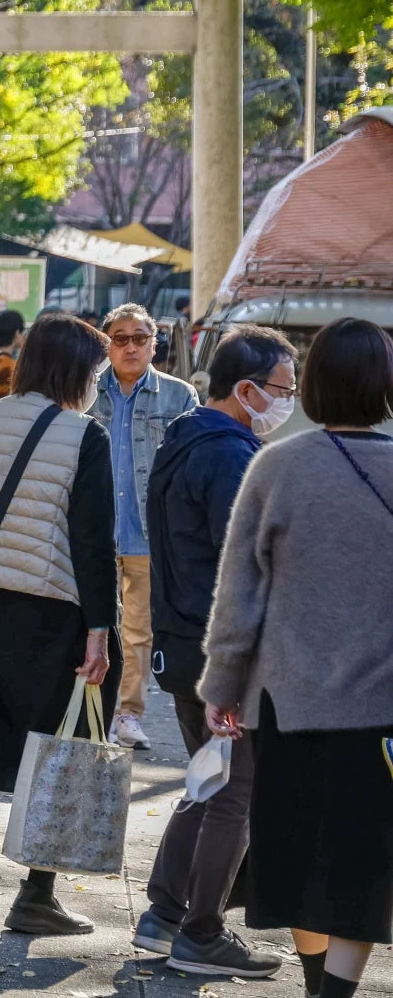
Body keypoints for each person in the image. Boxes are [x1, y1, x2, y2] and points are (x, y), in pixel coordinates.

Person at [202, 317, 393, 998]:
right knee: (362, 866)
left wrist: (221, 685)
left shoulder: (276, 467)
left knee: (296, 857)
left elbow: (238, 594)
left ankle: (316, 986)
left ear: (310, 386)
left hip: (286, 703)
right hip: (379, 712)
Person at [0, 313, 121, 936]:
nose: (96, 382)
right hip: (56, 610)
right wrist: (101, 630)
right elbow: (93, 542)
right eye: (94, 371)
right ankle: (37, 893)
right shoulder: (83, 435)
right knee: (64, 745)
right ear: (73, 370)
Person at [131, 327, 297, 977]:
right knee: (234, 790)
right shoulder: (231, 456)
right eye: (283, 388)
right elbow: (247, 566)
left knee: (208, 778)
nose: (288, 400)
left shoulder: (184, 438)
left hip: (181, 641)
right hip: (220, 647)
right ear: (246, 389)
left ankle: (163, 913)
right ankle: (201, 931)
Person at [91, 302, 198, 750]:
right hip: (92, 533)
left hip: (148, 535)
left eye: (140, 338)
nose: (130, 347)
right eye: (120, 338)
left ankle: (128, 714)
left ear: (155, 344)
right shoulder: (86, 392)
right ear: (107, 345)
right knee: (90, 627)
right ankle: (87, 713)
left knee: (138, 632)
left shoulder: (180, 397)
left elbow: (190, 468)